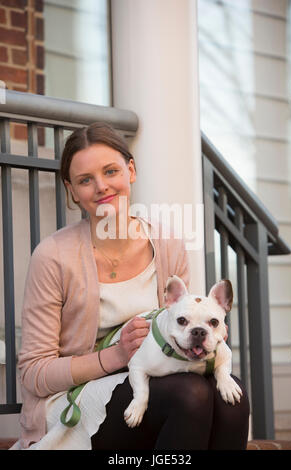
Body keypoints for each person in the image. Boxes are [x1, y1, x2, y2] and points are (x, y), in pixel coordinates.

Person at [12, 122, 249, 450]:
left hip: (154, 383)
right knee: (190, 395)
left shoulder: (167, 244)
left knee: (231, 397)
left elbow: (183, 324)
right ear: (71, 190)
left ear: (131, 170)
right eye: (85, 180)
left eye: (110, 171)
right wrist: (116, 355)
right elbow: (34, 374)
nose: (101, 187)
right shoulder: (53, 257)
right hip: (73, 401)